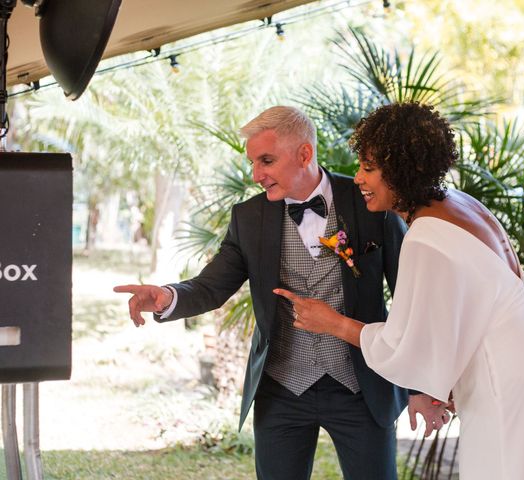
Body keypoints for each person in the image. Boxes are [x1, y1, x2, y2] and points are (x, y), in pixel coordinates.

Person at [275, 102, 524, 479]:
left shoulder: (425, 236)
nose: (359, 178)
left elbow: (405, 344)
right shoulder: (461, 205)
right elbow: (458, 316)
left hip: (506, 376)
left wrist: (334, 323)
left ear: (401, 168)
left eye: (369, 168)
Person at [113, 106, 409, 480]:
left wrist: (421, 387)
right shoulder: (249, 217)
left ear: (304, 154)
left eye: (266, 160)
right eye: (253, 162)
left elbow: (409, 296)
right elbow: (212, 285)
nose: (256, 175)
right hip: (282, 389)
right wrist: (169, 296)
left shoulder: (371, 203)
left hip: (362, 386)